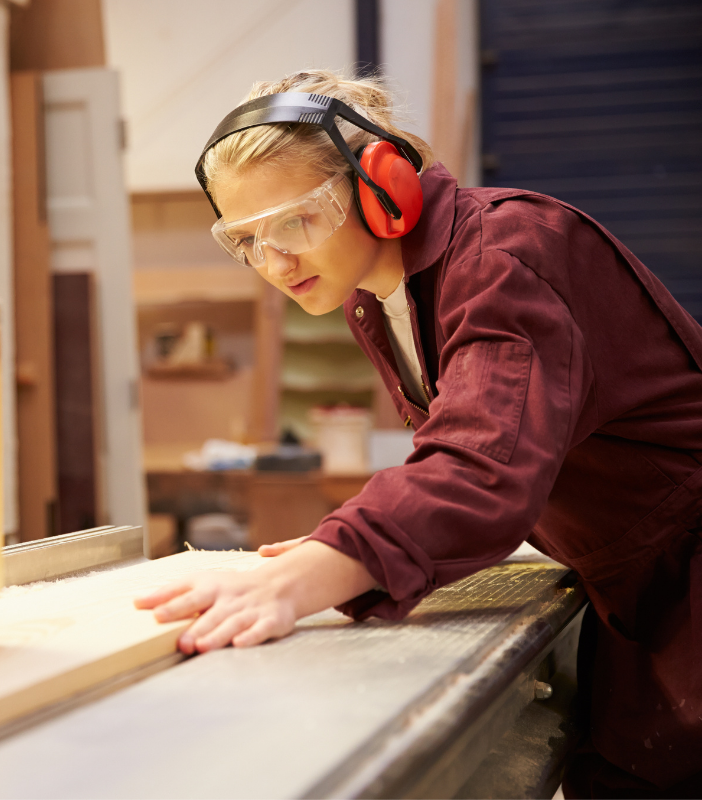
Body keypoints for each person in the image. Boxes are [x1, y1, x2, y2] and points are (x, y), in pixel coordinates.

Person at [134, 69, 702, 797]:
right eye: (245, 240)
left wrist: (318, 569)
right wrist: (345, 543)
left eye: (295, 221)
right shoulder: (378, 299)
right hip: (635, 584)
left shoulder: (505, 253)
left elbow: (482, 465)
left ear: (385, 186)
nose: (274, 263)